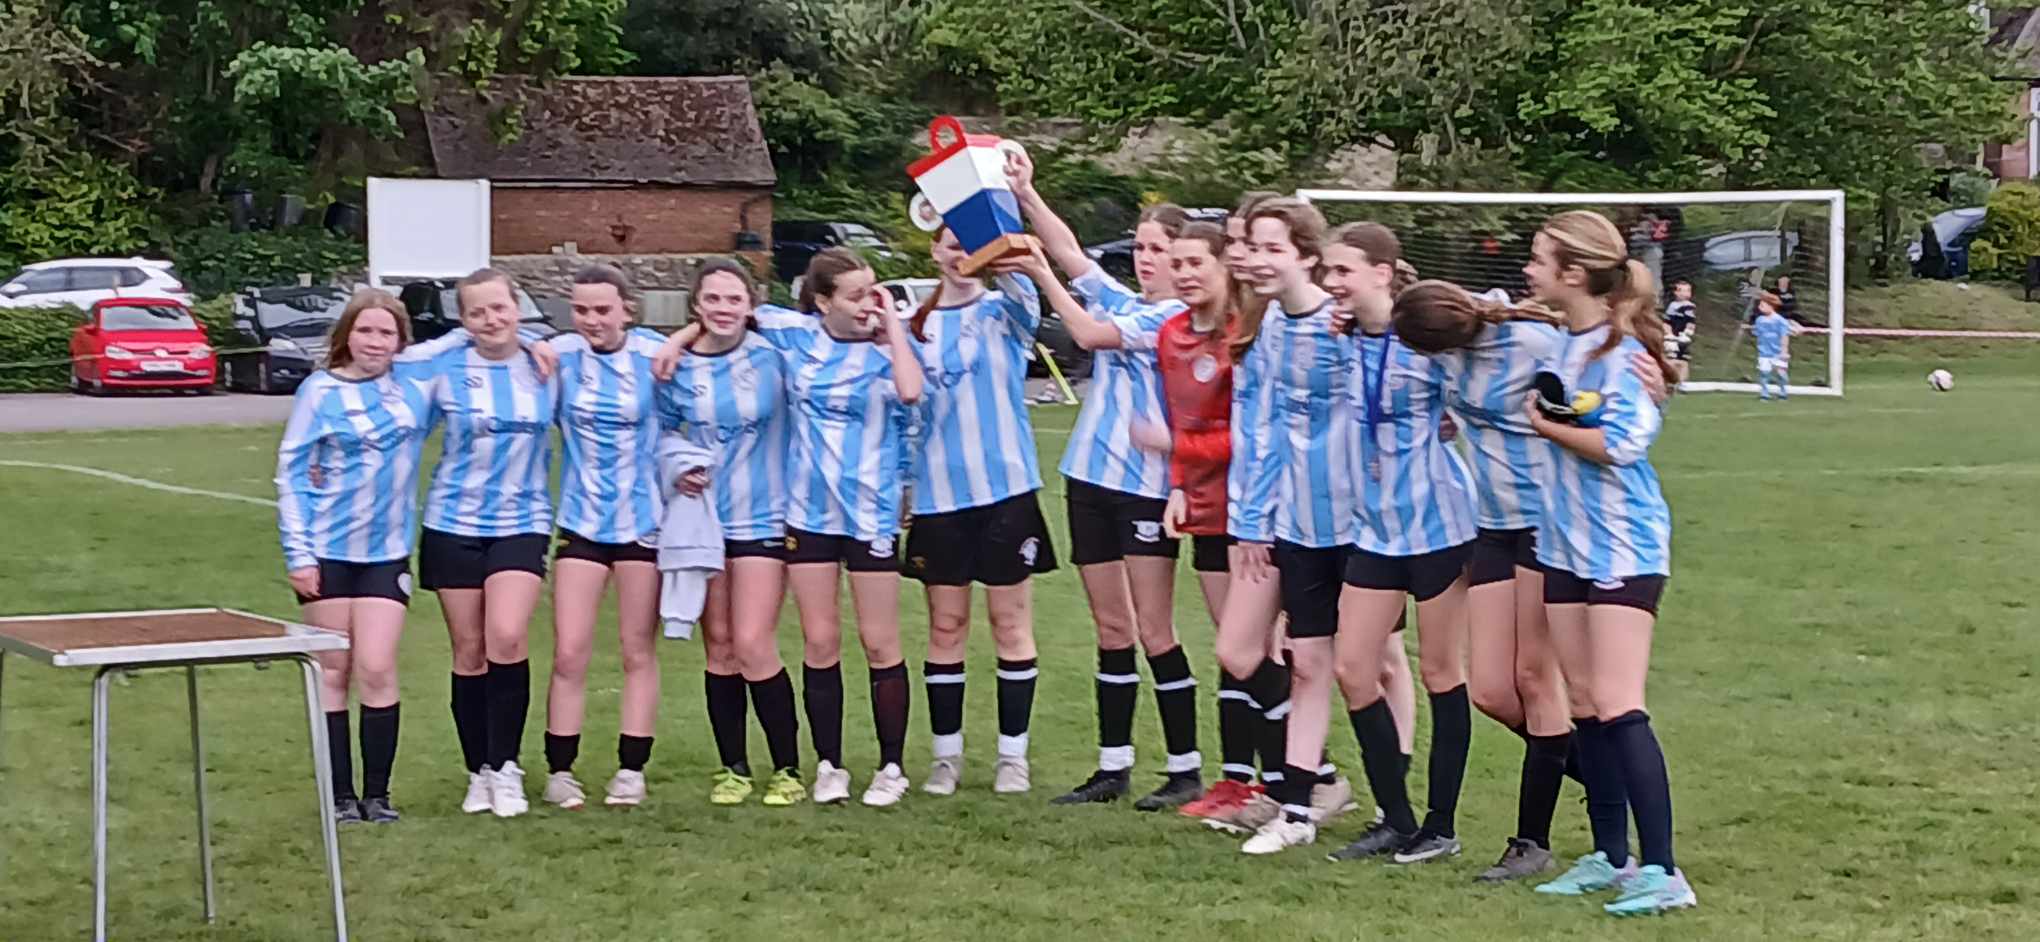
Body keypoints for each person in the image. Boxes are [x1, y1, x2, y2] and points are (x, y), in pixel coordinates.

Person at [1009, 155, 1203, 810]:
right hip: (1088, 479)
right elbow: (1071, 253)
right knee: (1111, 628)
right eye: (1141, 248)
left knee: (1156, 629)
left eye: (1159, 250)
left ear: (1184, 259)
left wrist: (1039, 273)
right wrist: (1027, 194)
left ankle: (1185, 767)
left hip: (1144, 486)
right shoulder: (1129, 300)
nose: (1146, 260)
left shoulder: (1172, 318)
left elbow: (1089, 335)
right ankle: (1112, 767)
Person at [1519, 209, 1695, 916]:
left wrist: (1545, 425)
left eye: (1539, 259)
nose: (1528, 269)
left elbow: (1622, 445)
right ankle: (1610, 855)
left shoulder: (1623, 354)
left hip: (1623, 543)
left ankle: (1665, 872)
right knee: (1585, 703)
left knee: (1620, 705)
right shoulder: (1563, 339)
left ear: (1574, 272)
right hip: (1563, 544)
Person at [1390, 280, 1572, 881]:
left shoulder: (1530, 342)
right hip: (1492, 527)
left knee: (1535, 677)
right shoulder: (1449, 349)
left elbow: (1598, 375)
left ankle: (1531, 841)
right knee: (1492, 691)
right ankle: (1608, 777)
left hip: (1549, 522)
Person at [275, 287, 466, 824]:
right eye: (365, 330)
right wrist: (299, 554)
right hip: (327, 552)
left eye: (387, 332)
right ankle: (339, 796)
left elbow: (462, 338)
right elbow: (291, 473)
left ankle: (378, 796)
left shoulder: (412, 387)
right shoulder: (319, 391)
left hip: (386, 554)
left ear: (401, 341)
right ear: (347, 335)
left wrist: (527, 340)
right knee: (333, 670)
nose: (375, 341)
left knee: (378, 667)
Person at [1222, 198, 1368, 856]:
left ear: (1309, 256)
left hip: (1356, 527)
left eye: (1272, 248)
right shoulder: (1271, 321)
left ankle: (1384, 808)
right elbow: (1264, 433)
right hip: (1288, 522)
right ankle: (1320, 783)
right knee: (1243, 653)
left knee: (1372, 668)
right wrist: (1251, 521)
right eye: (1252, 246)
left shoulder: (1343, 324)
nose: (1256, 259)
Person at [900, 228, 1054, 797]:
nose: (960, 254)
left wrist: (997, 235)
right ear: (934, 251)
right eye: (950, 244)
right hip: (939, 496)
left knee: (1010, 624)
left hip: (1005, 489)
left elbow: (1025, 283)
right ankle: (947, 758)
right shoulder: (913, 324)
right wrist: (904, 487)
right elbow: (906, 413)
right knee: (946, 627)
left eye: (970, 244)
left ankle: (1013, 757)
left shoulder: (1003, 309)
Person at [658, 259, 805, 807]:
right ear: (696, 304)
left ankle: (788, 769)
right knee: (719, 647)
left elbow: (818, 323)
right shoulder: (677, 367)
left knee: (752, 642)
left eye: (734, 298)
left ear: (751, 303)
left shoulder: (775, 352)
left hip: (764, 516)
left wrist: (682, 332)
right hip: (704, 521)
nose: (723, 309)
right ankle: (734, 770)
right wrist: (679, 466)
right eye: (712, 299)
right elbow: (661, 431)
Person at [413, 269, 557, 819]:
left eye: (500, 308)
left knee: (507, 636)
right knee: (469, 651)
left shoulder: (547, 365)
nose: (491, 320)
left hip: (522, 521)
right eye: (477, 312)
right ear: (463, 319)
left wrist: (534, 341)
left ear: (517, 307)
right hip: (453, 522)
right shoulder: (445, 367)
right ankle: (478, 771)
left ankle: (507, 766)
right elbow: (395, 392)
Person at [537, 266, 672, 813]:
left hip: (643, 524)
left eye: (602, 309)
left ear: (627, 310)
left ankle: (631, 770)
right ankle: (560, 771)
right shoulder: (560, 354)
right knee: (569, 652)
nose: (591, 320)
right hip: (581, 524)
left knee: (637, 650)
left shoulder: (655, 354)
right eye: (581, 309)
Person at [1752, 291, 1800, 401]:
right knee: (1764, 373)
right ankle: (1764, 393)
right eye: (1760, 305)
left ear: (1771, 306)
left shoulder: (1780, 321)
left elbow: (1784, 336)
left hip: (1778, 352)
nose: (1760, 308)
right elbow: (1757, 333)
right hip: (1764, 352)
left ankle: (1782, 391)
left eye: (1763, 305)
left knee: (1781, 373)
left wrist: (1784, 351)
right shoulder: (1759, 320)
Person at [1662, 281, 1696, 387]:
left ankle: (1682, 382)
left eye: (1688, 291)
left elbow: (1691, 322)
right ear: (1676, 292)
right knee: (1671, 359)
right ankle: (1669, 381)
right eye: (1682, 290)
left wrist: (1687, 334)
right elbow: (1667, 322)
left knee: (1683, 360)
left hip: (1683, 337)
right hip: (1672, 337)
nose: (1685, 293)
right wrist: (1669, 335)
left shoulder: (1689, 306)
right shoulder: (1672, 305)